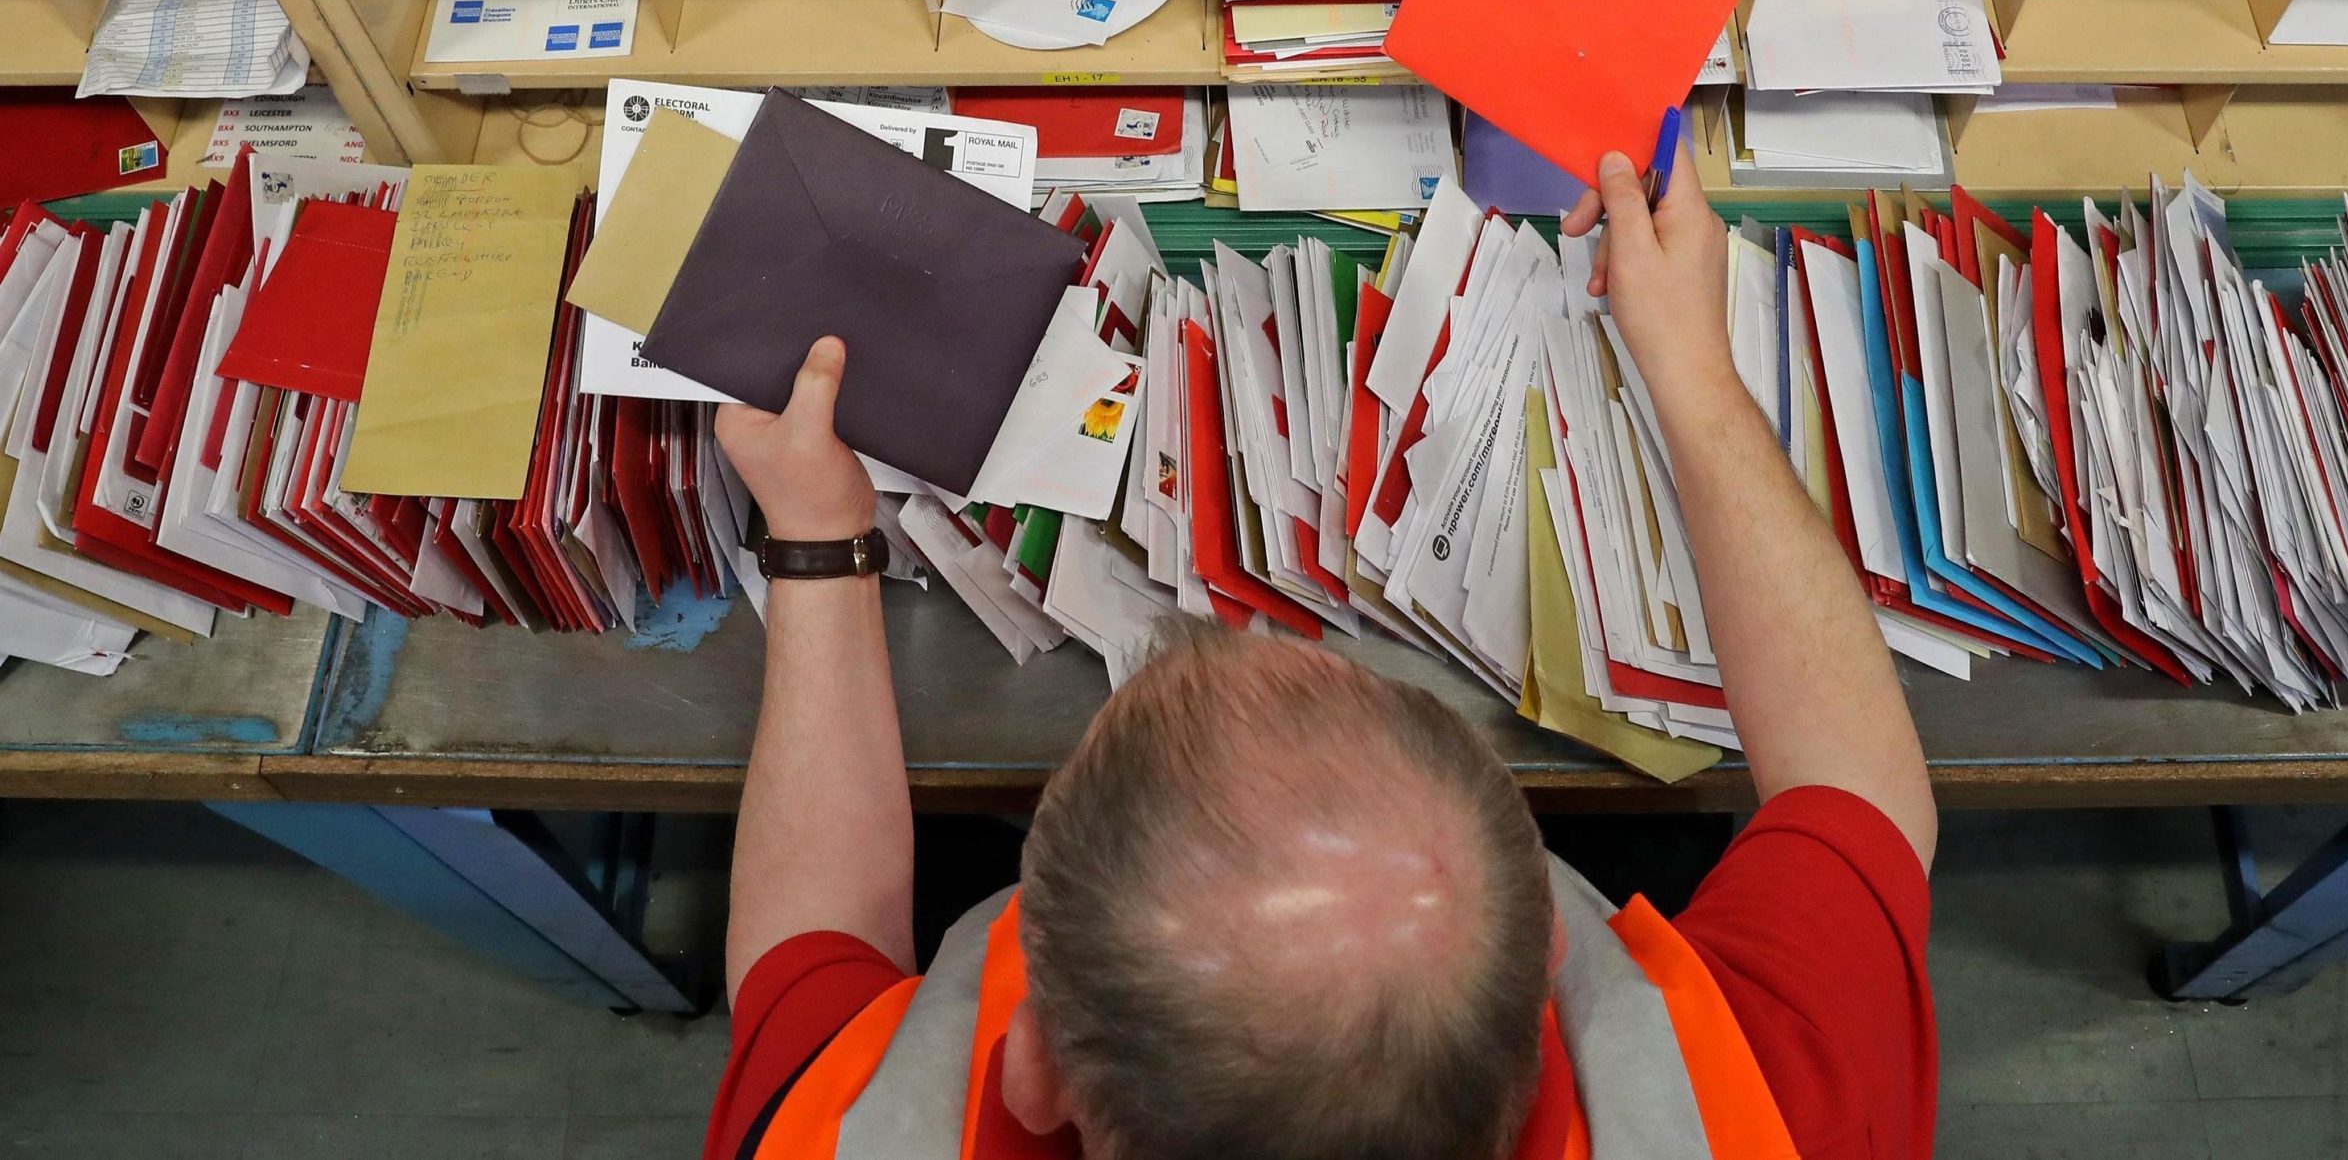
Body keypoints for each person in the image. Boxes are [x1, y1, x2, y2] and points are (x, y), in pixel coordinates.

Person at [701, 145, 1938, 1160]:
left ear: (1035, 1073)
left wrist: (814, 539)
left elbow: (813, 969)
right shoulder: (1772, 1115)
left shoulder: (833, 1136)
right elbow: (1858, 789)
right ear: (1543, 982)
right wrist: (1692, 368)